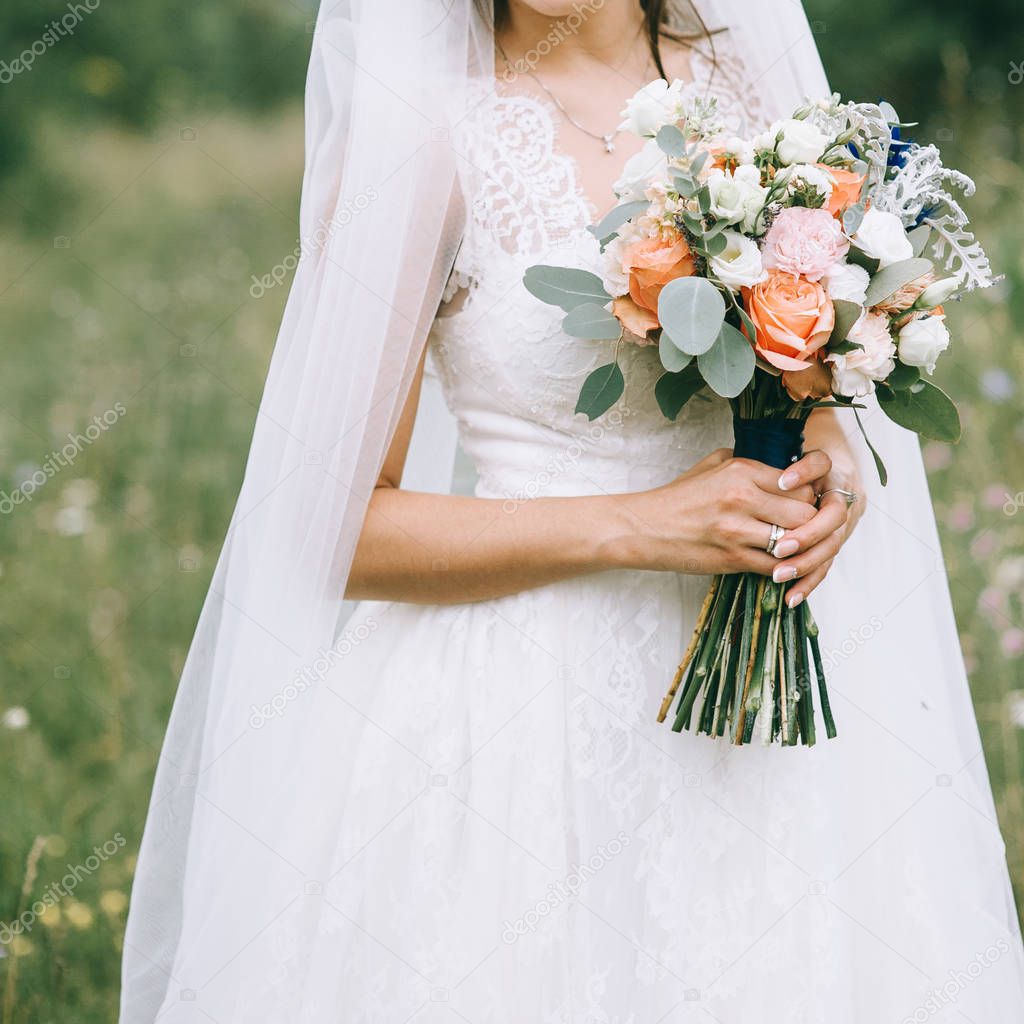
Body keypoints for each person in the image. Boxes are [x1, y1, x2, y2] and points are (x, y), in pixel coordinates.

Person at [120, 2, 1024, 1021]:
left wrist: (829, 450)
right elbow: (339, 528)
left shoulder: (762, 98)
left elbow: (811, 371)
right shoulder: (424, 136)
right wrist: (639, 525)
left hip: (772, 720)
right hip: (513, 724)